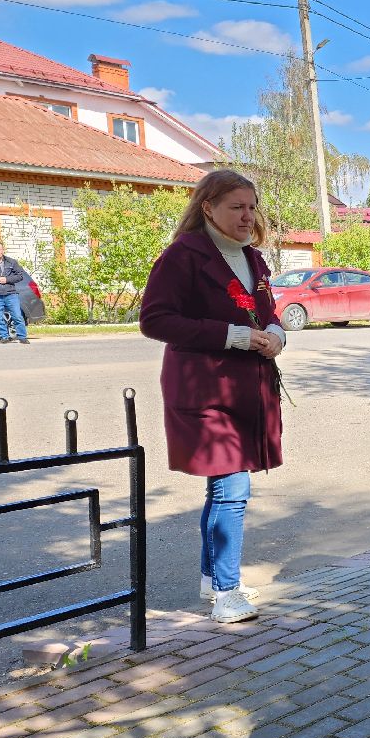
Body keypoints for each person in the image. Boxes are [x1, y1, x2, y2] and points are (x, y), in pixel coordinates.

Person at [140, 170, 286, 624]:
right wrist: (233, 336)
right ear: (208, 207)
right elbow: (155, 320)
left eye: (251, 207)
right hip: (204, 388)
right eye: (236, 207)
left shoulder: (252, 256)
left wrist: (276, 333)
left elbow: (268, 311)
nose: (248, 216)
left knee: (223, 487)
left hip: (249, 387)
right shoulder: (183, 255)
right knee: (232, 487)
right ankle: (226, 593)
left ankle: (212, 578)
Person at [0, 240, 31, 345]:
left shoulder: (11, 262)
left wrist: (7, 279)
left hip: (11, 294)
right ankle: (4, 337)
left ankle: (22, 337)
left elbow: (20, 275)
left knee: (17, 316)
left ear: (3, 250)